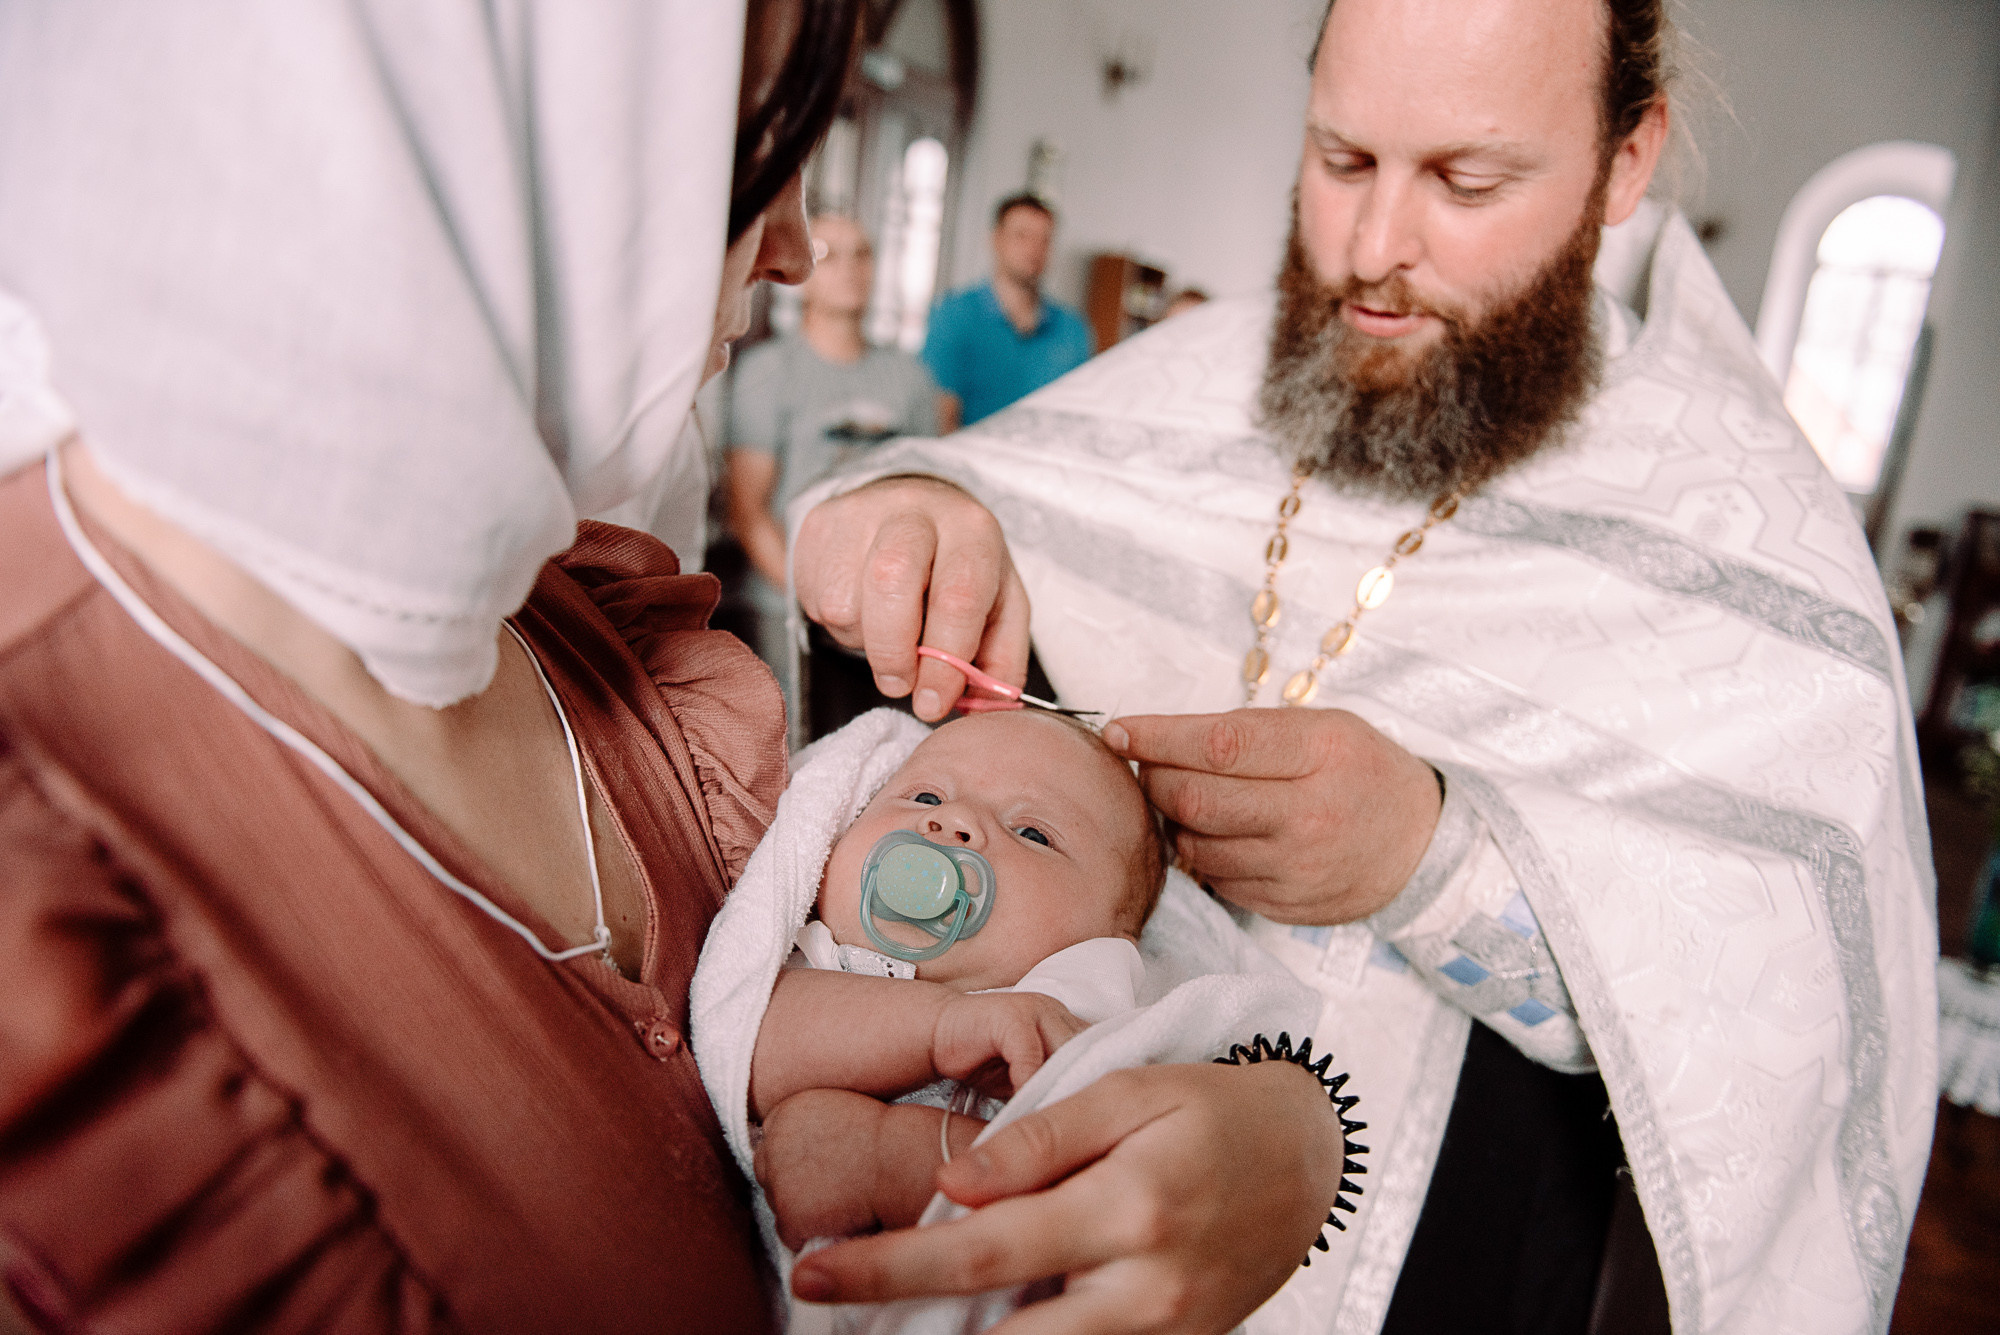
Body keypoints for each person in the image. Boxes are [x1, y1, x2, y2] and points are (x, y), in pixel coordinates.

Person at [0, 4, 1359, 1334]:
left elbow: (1101, 935)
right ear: (497, 108)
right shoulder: (52, 932)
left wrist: (1289, 1132)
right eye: (752, 152)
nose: (797, 248)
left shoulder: (592, 613)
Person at [787, 1, 1937, 1332]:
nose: (1372, 249)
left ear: (1626, 157)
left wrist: (1432, 859)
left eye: (1465, 181)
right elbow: (939, 504)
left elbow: (1775, 1034)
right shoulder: (1204, 371)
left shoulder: (1754, 547)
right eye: (1341, 160)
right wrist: (911, 514)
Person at [690, 707, 1329, 1330]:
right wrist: (944, 1026)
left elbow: (1095, 1209)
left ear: (1113, 939)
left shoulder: (1083, 1015)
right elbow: (751, 1045)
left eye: (1032, 833)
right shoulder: (819, 959)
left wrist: (888, 1158)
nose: (954, 822)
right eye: (925, 796)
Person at [724, 213, 943, 677]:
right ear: (801, 272)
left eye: (862, 254)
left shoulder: (910, 377)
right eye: (829, 255)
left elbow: (932, 494)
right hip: (786, 605)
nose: (849, 268)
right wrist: (815, 600)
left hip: (891, 609)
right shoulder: (768, 370)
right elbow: (748, 512)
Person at [922, 194, 1093, 429]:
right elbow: (941, 418)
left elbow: (1078, 419)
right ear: (996, 239)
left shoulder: (1072, 331)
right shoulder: (954, 317)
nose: (1033, 248)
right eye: (1022, 235)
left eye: (1044, 239)